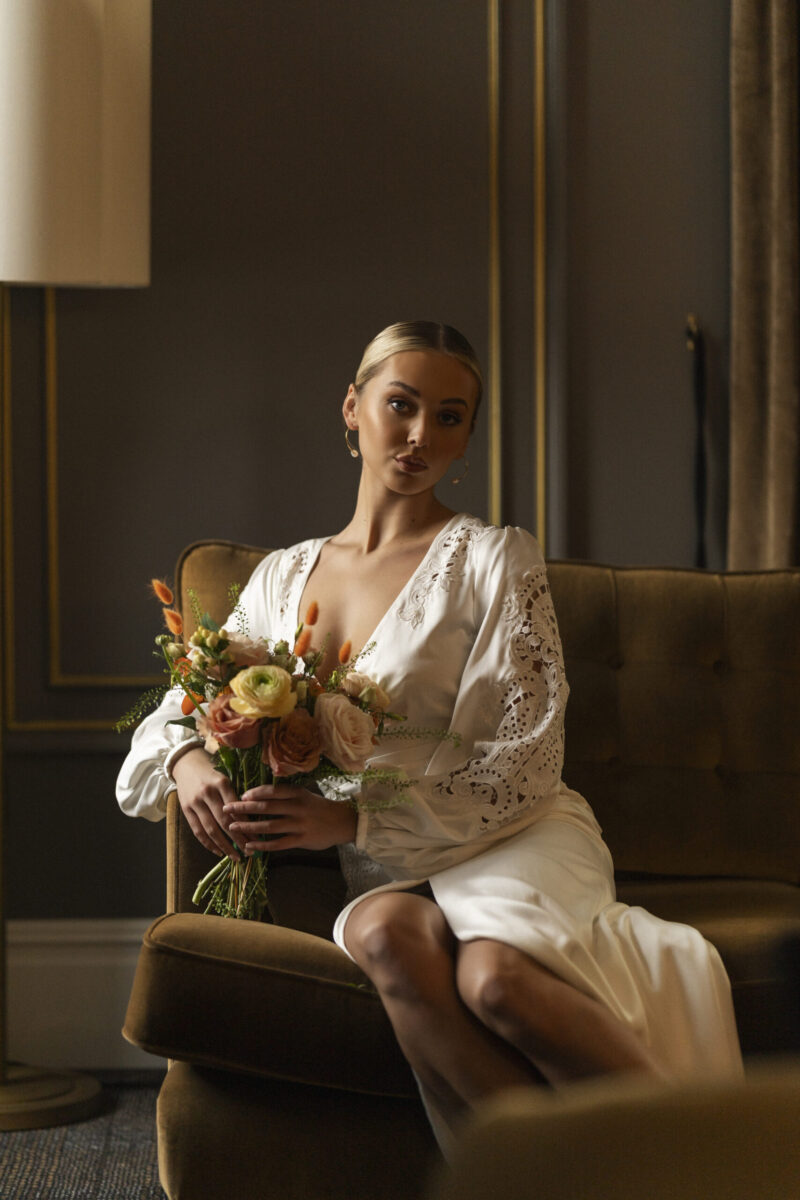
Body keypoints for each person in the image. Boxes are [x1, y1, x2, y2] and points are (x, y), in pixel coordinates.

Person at [117, 320, 743, 1153]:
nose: (419, 435)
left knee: (497, 983)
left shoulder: (494, 560)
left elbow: (530, 757)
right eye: (400, 405)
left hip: (513, 835)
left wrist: (354, 821)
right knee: (381, 934)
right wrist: (192, 757)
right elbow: (179, 705)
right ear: (353, 407)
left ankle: (711, 1156)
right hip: (386, 867)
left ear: (467, 438)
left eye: (448, 417)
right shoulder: (280, 578)